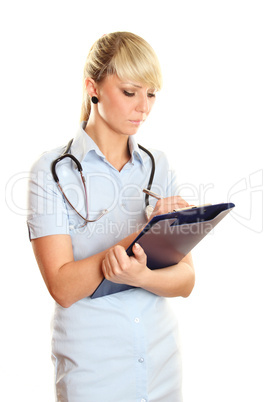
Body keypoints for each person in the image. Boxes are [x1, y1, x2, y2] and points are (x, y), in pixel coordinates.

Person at [27, 31, 195, 402]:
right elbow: (62, 287)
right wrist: (142, 235)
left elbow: (186, 281)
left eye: (151, 94)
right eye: (130, 92)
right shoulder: (52, 171)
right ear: (94, 88)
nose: (144, 107)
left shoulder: (158, 166)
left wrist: (144, 275)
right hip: (93, 367)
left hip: (159, 361)